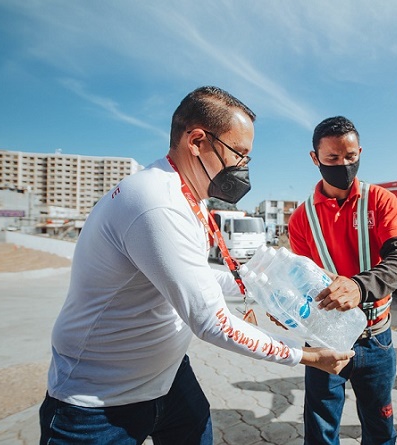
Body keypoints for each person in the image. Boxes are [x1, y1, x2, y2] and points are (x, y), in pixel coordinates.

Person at [39, 86, 354, 445]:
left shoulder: (189, 197)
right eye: (240, 154)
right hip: (99, 400)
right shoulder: (158, 205)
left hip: (168, 379)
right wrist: (307, 355)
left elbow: (196, 276)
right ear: (197, 141)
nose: (244, 168)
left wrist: (269, 283)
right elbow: (212, 323)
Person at [288, 116, 397, 445]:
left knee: (380, 426)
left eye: (351, 157)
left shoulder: (381, 201)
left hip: (375, 337)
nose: (343, 165)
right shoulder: (301, 218)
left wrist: (359, 287)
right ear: (314, 158)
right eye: (332, 158)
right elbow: (301, 279)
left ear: (360, 152)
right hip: (323, 339)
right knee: (321, 425)